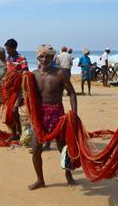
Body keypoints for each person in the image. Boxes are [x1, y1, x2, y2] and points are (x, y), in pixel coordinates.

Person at [29, 44, 77, 190]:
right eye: (42, 56)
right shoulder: (33, 75)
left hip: (57, 113)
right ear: (37, 58)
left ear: (53, 57)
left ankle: (68, 174)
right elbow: (30, 96)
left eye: (48, 56)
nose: (45, 59)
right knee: (36, 148)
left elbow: (72, 93)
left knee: (62, 147)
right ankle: (40, 180)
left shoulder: (60, 74)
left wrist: (74, 113)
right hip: (40, 115)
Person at [4, 38, 28, 140]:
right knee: (9, 112)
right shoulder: (8, 58)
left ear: (14, 48)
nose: (7, 51)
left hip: (18, 90)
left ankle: (19, 131)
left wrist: (20, 76)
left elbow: (25, 71)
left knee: (14, 111)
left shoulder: (21, 58)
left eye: (8, 49)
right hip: (8, 89)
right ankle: (14, 134)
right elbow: (8, 71)